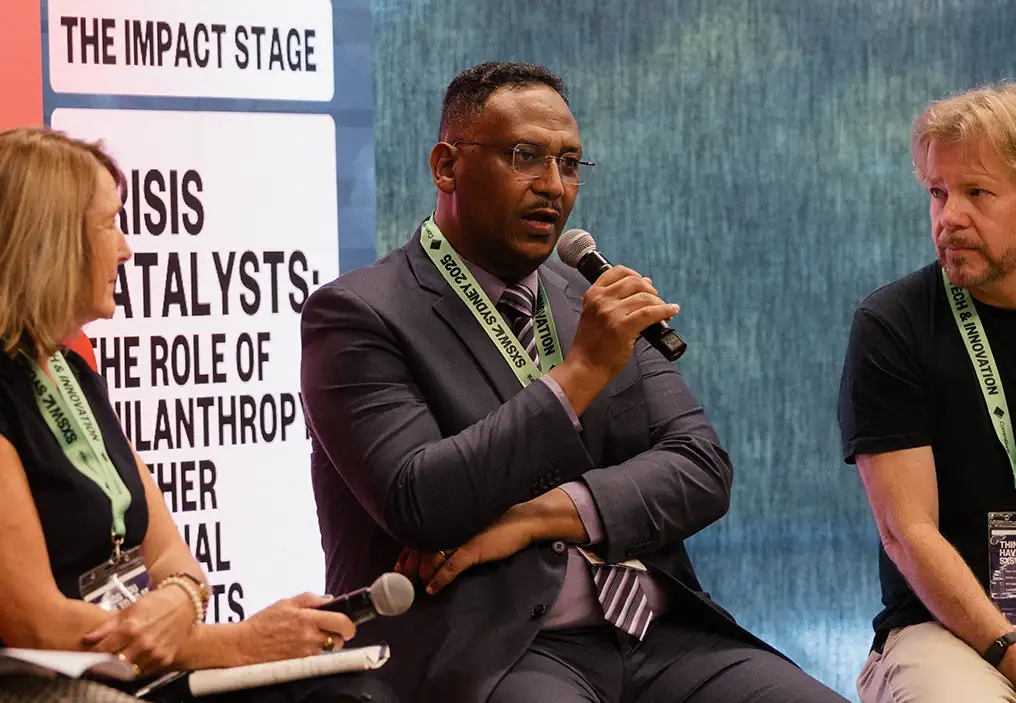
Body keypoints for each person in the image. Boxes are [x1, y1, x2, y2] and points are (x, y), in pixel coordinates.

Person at [301, 60, 847, 703]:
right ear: (446, 166)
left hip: (657, 634)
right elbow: (419, 500)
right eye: (525, 156)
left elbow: (701, 469)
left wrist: (536, 519)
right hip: (495, 650)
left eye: (569, 163)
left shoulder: (588, 298)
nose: (552, 186)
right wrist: (580, 374)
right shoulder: (358, 313)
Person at [0, 126, 396, 703]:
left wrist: (179, 598)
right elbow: (36, 624)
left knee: (351, 694)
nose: (127, 248)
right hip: (50, 682)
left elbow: (169, 554)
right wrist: (235, 642)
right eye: (109, 225)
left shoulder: (69, 372)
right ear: (49, 242)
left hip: (133, 664)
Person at [838, 82, 1016, 702]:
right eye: (937, 193)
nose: (949, 217)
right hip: (941, 630)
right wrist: (1009, 652)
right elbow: (907, 532)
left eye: (977, 192)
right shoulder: (894, 323)